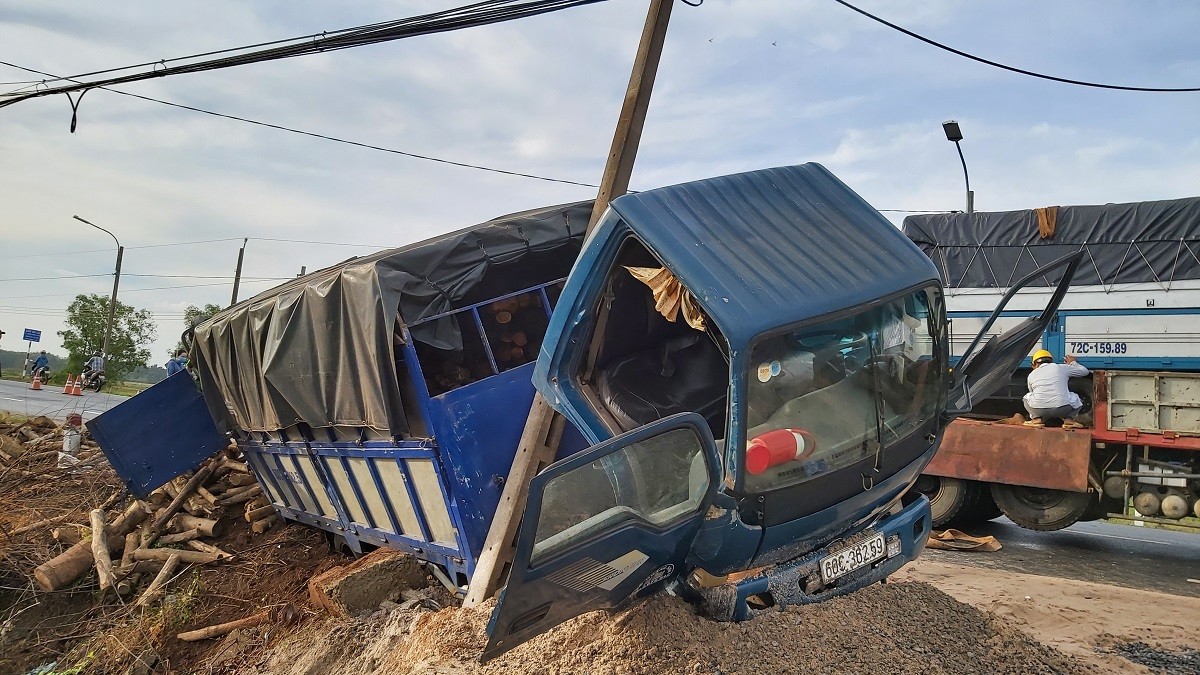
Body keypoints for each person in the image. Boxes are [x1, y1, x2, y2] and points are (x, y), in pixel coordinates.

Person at [1022, 349, 1089, 429]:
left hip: (1039, 410)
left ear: (1035, 364)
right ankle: (1069, 420)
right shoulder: (1060, 368)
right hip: (1062, 409)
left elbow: (1032, 392)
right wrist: (1072, 363)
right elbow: (1084, 371)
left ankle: (1036, 419)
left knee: (1026, 397)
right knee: (1075, 397)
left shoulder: (1031, 375)